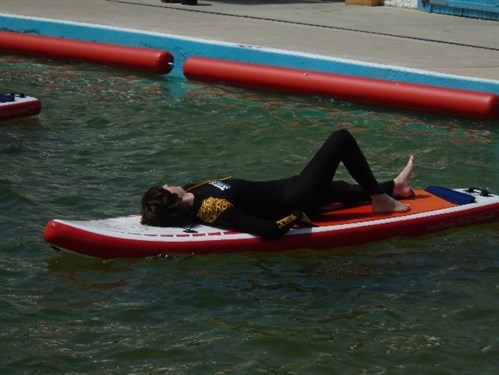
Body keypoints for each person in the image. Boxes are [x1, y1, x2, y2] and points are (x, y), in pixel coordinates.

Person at [141, 129, 414, 239]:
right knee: (340, 140)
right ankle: (379, 198)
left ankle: (395, 188)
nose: (168, 183)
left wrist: (153, 213)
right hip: (296, 198)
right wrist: (295, 216)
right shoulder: (211, 208)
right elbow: (265, 230)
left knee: (337, 186)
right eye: (165, 188)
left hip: (292, 186)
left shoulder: (193, 190)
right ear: (173, 199)